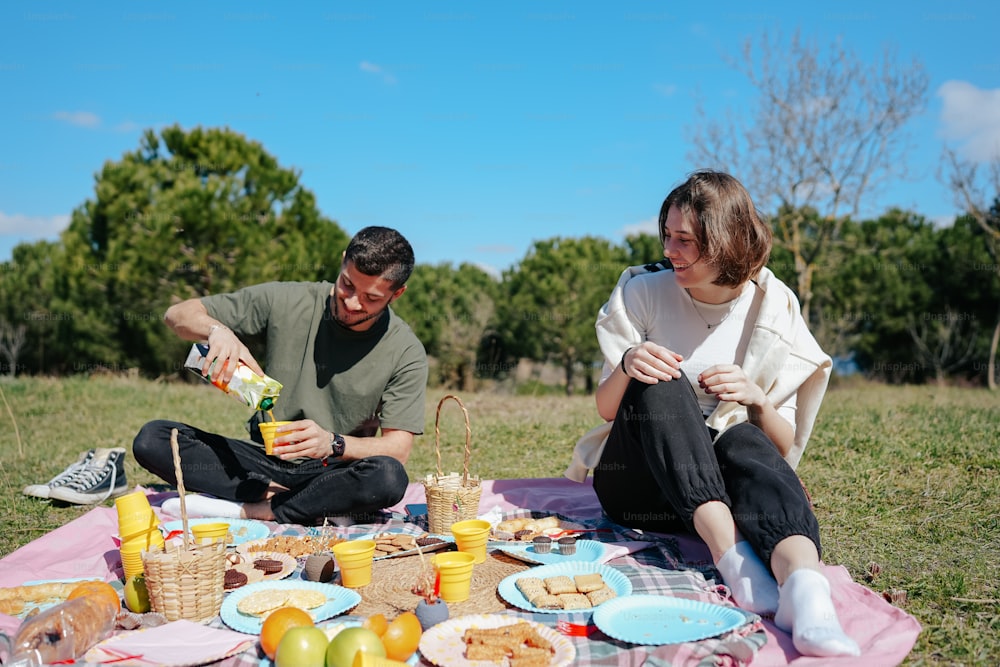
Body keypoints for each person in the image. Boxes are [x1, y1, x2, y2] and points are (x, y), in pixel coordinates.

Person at [566, 171, 860, 657]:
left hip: (726, 484)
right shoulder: (642, 290)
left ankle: (807, 594)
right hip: (643, 486)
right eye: (667, 236)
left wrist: (756, 398)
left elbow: (782, 447)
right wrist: (627, 363)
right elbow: (606, 407)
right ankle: (735, 562)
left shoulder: (774, 306)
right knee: (658, 380)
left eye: (685, 240)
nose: (670, 250)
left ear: (725, 242)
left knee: (745, 438)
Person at [132, 226, 428, 526]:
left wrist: (333, 443)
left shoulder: (406, 351)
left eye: (371, 298)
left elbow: (397, 449)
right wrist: (217, 331)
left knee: (388, 477)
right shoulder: (287, 299)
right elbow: (177, 314)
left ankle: (260, 510)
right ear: (342, 262)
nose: (352, 303)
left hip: (332, 470)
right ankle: (299, 501)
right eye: (347, 285)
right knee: (153, 439)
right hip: (262, 462)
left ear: (397, 293)